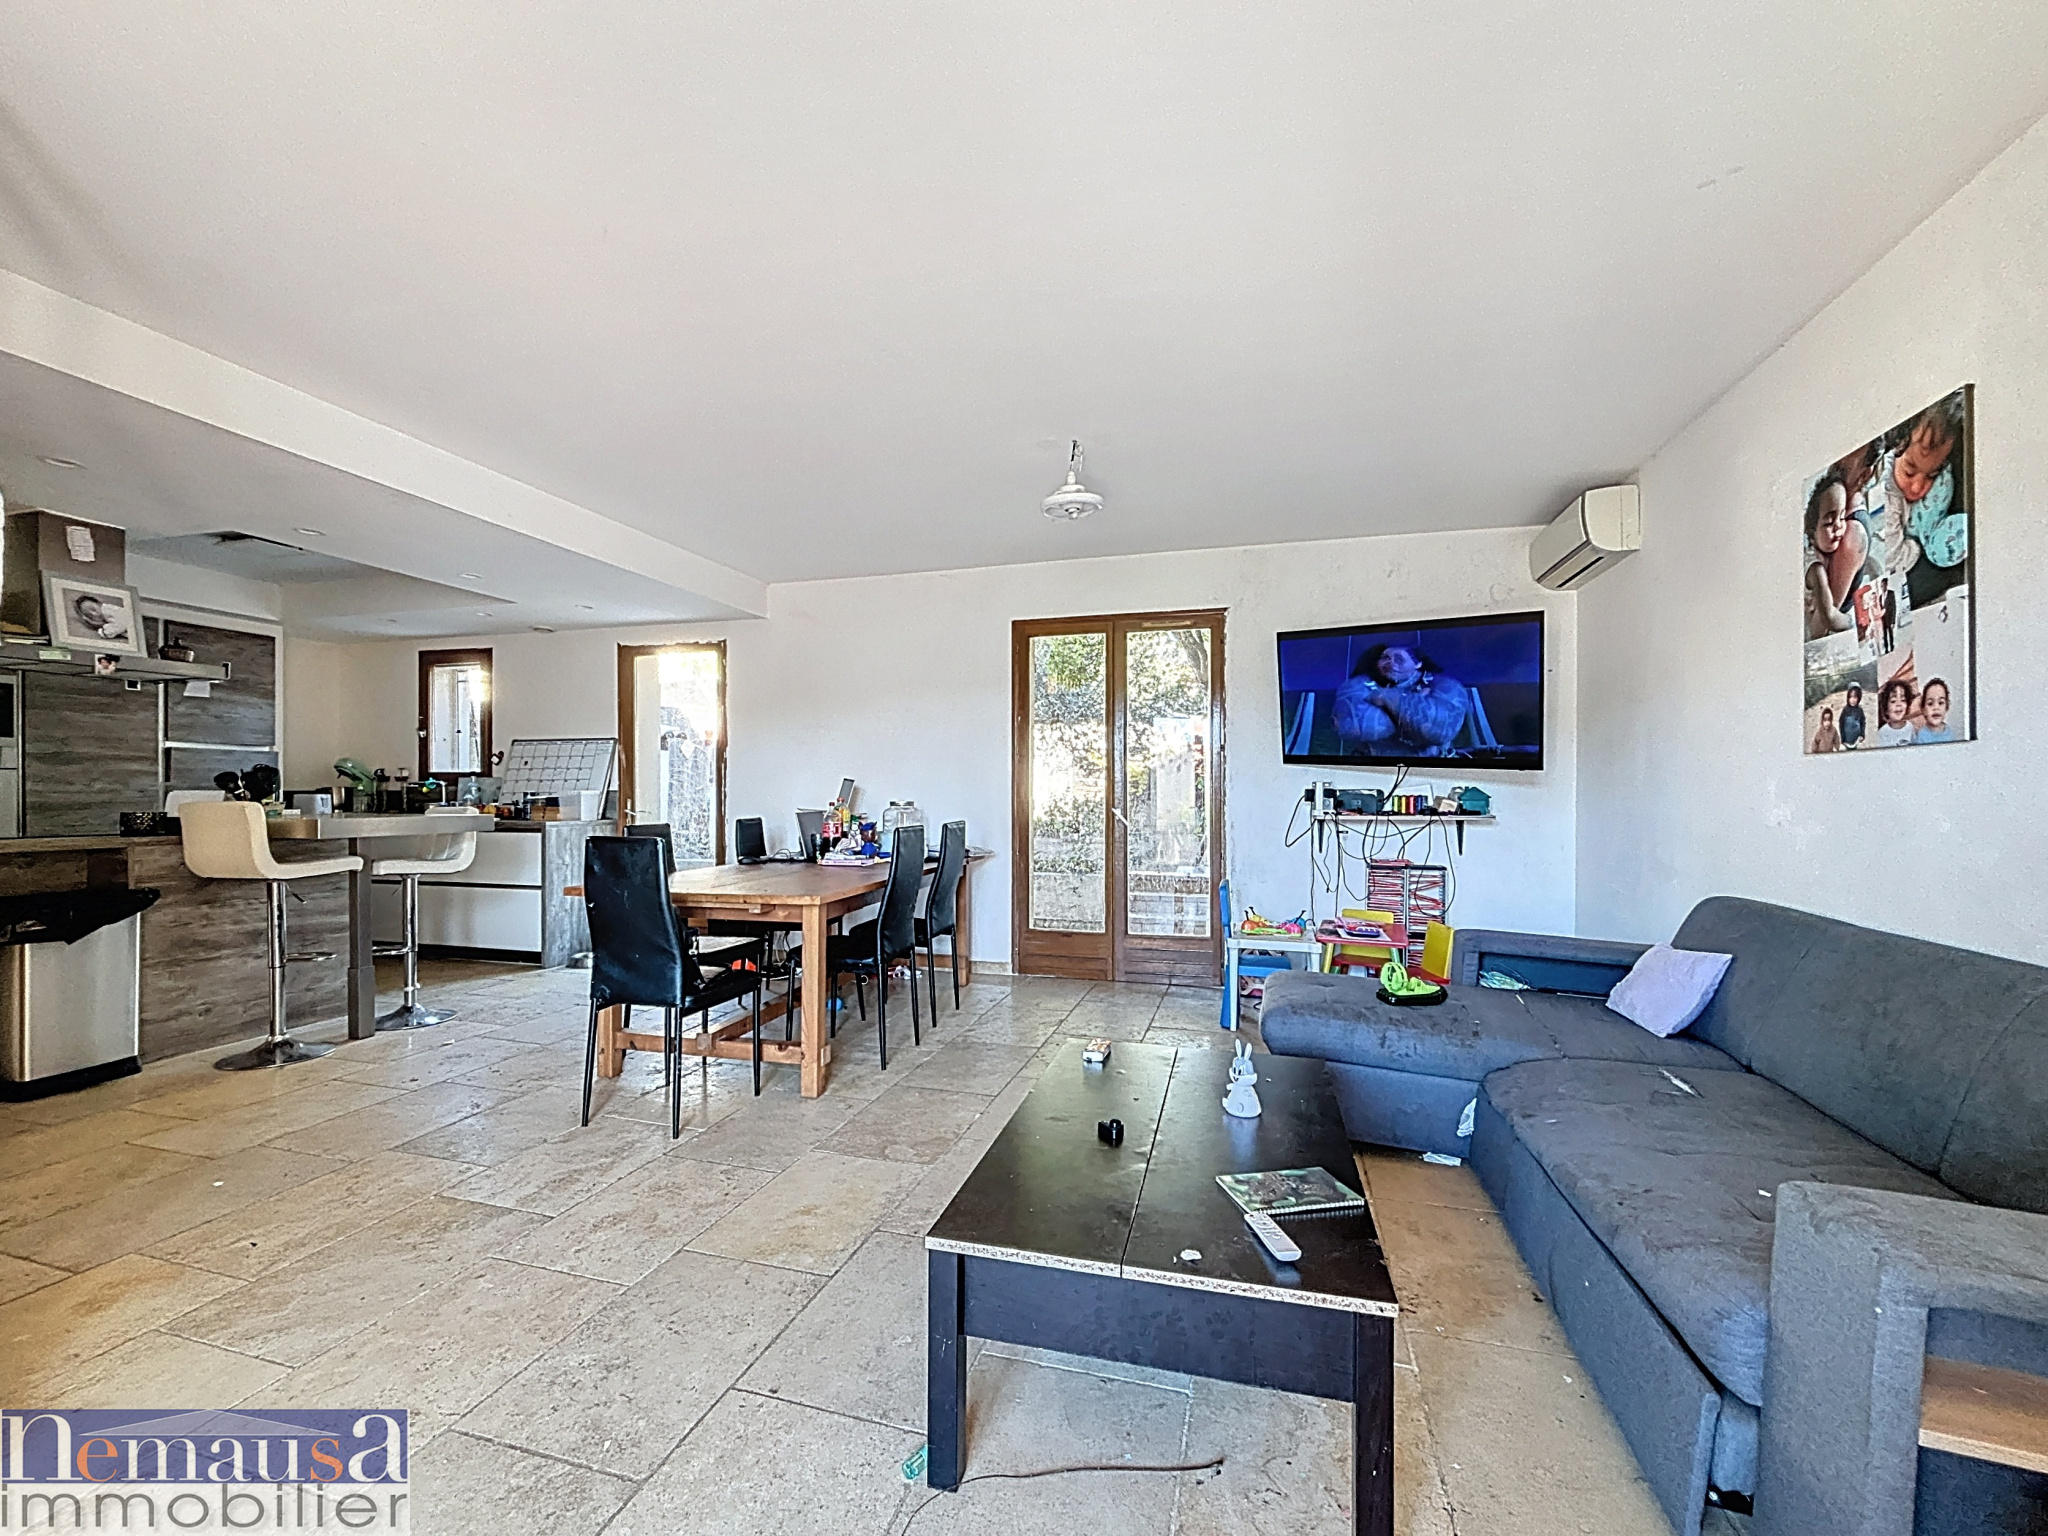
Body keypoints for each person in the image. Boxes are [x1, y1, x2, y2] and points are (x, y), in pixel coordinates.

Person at [1331, 642, 1469, 757]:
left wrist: (1389, 697)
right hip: (1372, 769)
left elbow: (1441, 731)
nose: (1390, 663)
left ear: (1417, 664)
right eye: (1385, 658)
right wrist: (1414, 707)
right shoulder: (1359, 684)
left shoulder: (1445, 685)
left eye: (1399, 659)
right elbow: (1353, 728)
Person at [1804, 473, 1879, 641]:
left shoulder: (1825, 551)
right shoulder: (1815, 569)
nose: (1839, 526)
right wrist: (1856, 621)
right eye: (1829, 522)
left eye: (1842, 517)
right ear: (1812, 530)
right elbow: (1829, 617)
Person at [1913, 677, 1959, 743]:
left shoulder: (1951, 733)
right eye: (1930, 703)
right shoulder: (1920, 737)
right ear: (1923, 710)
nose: (1936, 707)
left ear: (1946, 707)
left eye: (1941, 703)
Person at [1875, 678, 1917, 747]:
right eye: (1893, 701)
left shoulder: (1910, 727)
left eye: (1903, 700)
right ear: (1886, 709)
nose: (1898, 704)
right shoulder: (1882, 733)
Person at [1838, 684, 1867, 749]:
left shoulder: (1859, 710)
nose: (1852, 700)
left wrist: (1862, 735)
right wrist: (1843, 739)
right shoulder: (1845, 710)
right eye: (1850, 697)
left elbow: (1863, 722)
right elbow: (1841, 724)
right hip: (1847, 740)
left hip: (1856, 740)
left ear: (1859, 698)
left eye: (1855, 697)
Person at [1880, 581, 1898, 654]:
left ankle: (1892, 647)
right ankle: (1886, 649)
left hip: (1889, 618)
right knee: (1884, 634)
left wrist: (1893, 621)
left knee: (1890, 633)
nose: (1882, 588)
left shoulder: (1891, 593)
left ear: (1886, 585)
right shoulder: (1880, 597)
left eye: (1883, 585)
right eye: (1881, 586)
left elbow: (1894, 607)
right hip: (1883, 619)